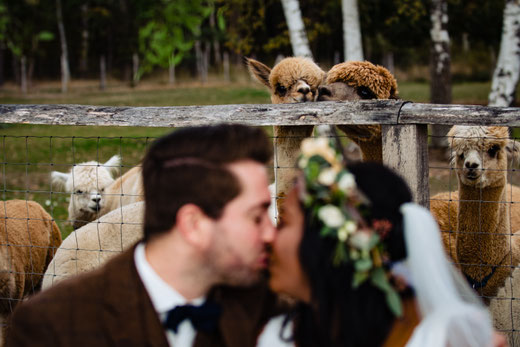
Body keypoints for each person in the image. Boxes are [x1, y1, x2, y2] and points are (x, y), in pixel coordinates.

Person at [7, 124, 281, 347]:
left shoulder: (271, 307)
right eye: (256, 217)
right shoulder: (52, 326)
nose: (271, 233)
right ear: (193, 224)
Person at [257, 137, 506, 347]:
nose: (269, 236)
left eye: (286, 222)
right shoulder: (279, 336)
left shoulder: (436, 340)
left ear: (333, 241)